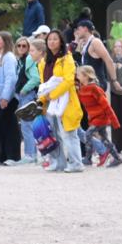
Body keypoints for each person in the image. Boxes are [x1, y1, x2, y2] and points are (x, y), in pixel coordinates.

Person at [37, 30, 84, 173]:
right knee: (54, 135)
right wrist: (43, 99)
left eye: (55, 39)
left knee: (70, 134)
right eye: (49, 39)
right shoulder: (44, 62)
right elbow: (44, 84)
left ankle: (76, 163)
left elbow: (69, 80)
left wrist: (53, 94)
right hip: (51, 104)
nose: (51, 42)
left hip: (66, 102)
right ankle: (60, 163)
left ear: (61, 42)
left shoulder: (66, 58)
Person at [76, 65, 122, 168]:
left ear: (86, 76)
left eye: (78, 75)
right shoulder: (82, 88)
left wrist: (114, 121)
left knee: (88, 134)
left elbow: (106, 105)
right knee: (104, 139)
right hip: (94, 118)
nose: (76, 76)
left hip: (101, 117)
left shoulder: (94, 88)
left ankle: (88, 158)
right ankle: (117, 158)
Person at [0, 31, 21, 165]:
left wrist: (5, 97)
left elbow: (11, 78)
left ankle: (13, 155)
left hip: (6, 96)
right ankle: (3, 154)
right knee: (0, 126)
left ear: (5, 42)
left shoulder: (9, 57)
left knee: (10, 126)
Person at [11, 36, 42, 166]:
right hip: (23, 95)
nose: (21, 48)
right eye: (19, 45)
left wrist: (24, 90)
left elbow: (35, 78)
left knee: (26, 126)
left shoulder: (29, 59)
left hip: (28, 95)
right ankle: (32, 154)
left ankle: (30, 155)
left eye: (25, 46)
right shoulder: (21, 60)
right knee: (27, 125)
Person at [74, 19, 122, 94]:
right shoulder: (84, 43)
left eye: (79, 29)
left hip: (97, 84)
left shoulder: (95, 42)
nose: (77, 32)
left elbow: (108, 60)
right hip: (88, 84)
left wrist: (114, 80)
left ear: (85, 29)